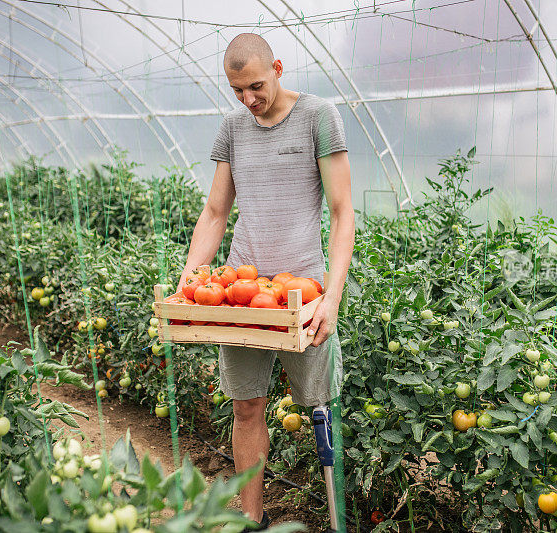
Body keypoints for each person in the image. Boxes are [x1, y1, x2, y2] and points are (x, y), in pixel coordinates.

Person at [175, 33, 354, 530]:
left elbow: (343, 214)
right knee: (247, 407)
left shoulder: (318, 116)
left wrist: (332, 297)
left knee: (320, 407)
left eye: (256, 86)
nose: (248, 100)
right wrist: (190, 279)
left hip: (306, 295)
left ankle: (334, 515)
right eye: (237, 91)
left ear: (277, 67)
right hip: (242, 292)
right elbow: (215, 211)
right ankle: (251, 517)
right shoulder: (232, 128)